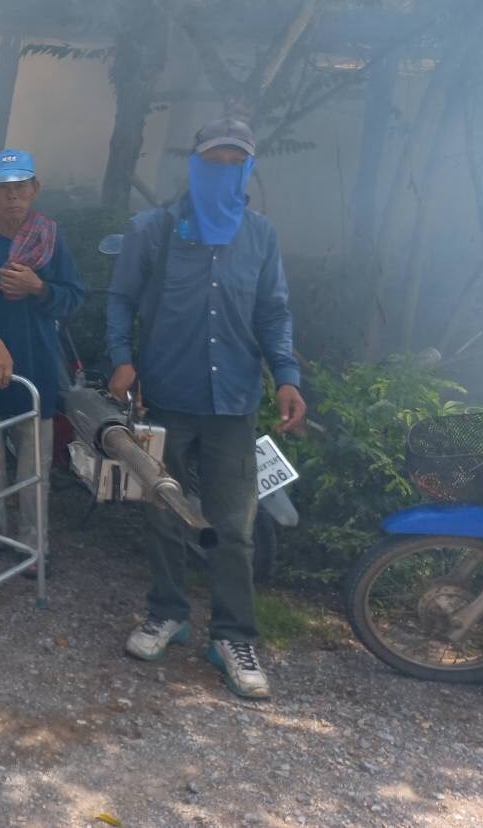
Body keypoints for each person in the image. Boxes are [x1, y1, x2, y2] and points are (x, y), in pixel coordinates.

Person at [106, 117, 306, 700]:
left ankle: (233, 636)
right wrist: (122, 359)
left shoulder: (260, 236)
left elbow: (273, 311)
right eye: (213, 162)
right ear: (194, 166)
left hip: (234, 402)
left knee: (235, 526)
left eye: (234, 163)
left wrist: (287, 376)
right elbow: (120, 300)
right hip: (164, 396)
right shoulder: (154, 230)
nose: (223, 172)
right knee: (163, 512)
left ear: (248, 170)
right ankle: (167, 613)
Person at [0, 149, 84, 571]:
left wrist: (37, 287)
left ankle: (33, 544)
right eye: (3, 188)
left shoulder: (50, 237)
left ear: (35, 189)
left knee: (34, 465)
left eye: (20, 187)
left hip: (37, 364)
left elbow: (73, 297)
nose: (13, 196)